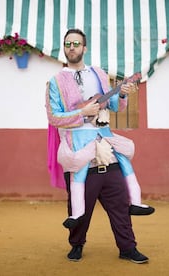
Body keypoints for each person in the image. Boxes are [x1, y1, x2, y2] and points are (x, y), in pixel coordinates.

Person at [45, 28, 151, 263]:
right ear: (65, 48)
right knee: (79, 205)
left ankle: (127, 248)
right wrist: (83, 112)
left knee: (120, 201)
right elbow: (54, 117)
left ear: (85, 48)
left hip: (106, 147)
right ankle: (77, 245)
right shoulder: (56, 81)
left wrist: (122, 95)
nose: (71, 47)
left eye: (76, 44)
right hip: (78, 150)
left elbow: (115, 106)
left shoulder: (99, 74)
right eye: (68, 44)